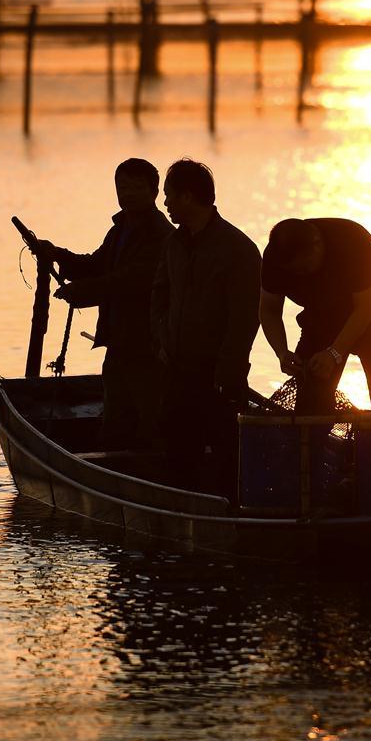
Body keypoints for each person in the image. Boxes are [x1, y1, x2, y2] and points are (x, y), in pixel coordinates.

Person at [38, 158, 173, 449]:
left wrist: (82, 293)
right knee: (115, 421)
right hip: (118, 344)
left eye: (136, 187)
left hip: (148, 346)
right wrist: (56, 254)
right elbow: (96, 266)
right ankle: (114, 472)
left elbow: (130, 281)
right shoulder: (119, 230)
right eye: (122, 187)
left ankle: (155, 480)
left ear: (154, 191)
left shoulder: (161, 235)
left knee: (151, 422)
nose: (128, 193)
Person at [151, 158, 261, 497]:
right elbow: (160, 295)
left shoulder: (238, 249)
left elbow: (245, 318)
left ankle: (231, 517)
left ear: (188, 197)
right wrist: (163, 339)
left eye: (169, 196)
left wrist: (227, 372)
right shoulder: (173, 244)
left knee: (228, 457)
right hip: (177, 370)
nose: (165, 204)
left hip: (217, 377)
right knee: (177, 455)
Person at [259, 217, 371, 419]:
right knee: (310, 405)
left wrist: (334, 353)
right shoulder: (275, 259)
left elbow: (365, 309)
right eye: (293, 272)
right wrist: (282, 352)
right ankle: (312, 447)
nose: (301, 276)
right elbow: (269, 309)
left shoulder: (353, 242)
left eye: (304, 269)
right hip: (322, 318)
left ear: (317, 246)